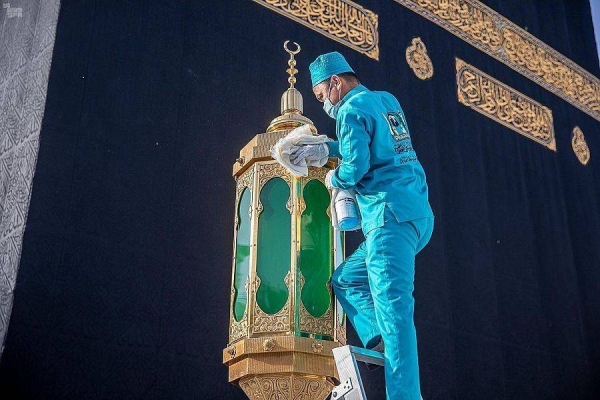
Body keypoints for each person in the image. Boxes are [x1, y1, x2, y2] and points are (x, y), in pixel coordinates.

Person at [290, 51, 434, 400]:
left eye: (323, 96)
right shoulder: (385, 100)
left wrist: (333, 177)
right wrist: (329, 149)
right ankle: (377, 338)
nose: (326, 105)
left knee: (396, 315)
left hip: (387, 219)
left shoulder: (348, 111)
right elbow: (377, 146)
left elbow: (355, 168)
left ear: (336, 83)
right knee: (347, 279)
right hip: (414, 214)